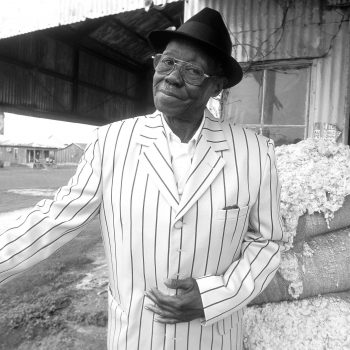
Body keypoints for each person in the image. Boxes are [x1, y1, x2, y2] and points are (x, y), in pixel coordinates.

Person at [0, 7, 286, 350]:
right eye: (166, 62)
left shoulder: (255, 153)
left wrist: (215, 297)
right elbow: (53, 219)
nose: (172, 77)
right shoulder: (112, 142)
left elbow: (267, 242)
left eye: (193, 70)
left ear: (217, 86)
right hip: (135, 336)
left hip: (212, 338)